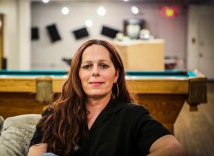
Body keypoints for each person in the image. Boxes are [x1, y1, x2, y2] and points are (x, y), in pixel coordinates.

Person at [28, 39, 186, 156]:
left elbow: (174, 149)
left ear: (116, 74)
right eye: (87, 66)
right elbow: (36, 151)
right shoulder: (54, 112)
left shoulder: (133, 115)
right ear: (78, 74)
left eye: (103, 66)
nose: (95, 72)